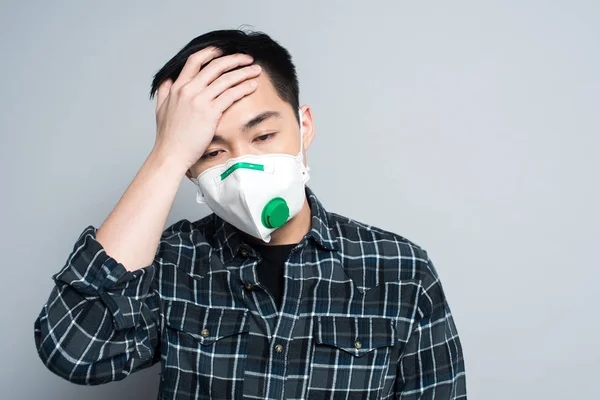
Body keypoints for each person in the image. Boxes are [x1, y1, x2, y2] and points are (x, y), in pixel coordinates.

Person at [34, 29, 466, 399]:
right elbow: (74, 350)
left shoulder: (401, 270)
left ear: (304, 127)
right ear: (189, 167)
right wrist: (166, 154)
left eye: (263, 135)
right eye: (212, 151)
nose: (243, 168)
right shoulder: (170, 263)